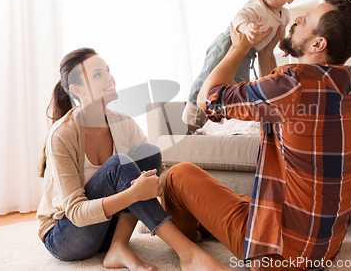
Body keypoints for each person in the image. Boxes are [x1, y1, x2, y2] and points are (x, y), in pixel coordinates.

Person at [164, 0, 351, 270]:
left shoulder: (292, 84)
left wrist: (239, 48)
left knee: (177, 175)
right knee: (245, 199)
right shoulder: (348, 83)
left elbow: (208, 99)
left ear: (318, 43)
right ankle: (206, 226)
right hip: (324, 247)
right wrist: (265, 51)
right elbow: (275, 93)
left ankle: (190, 251)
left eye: (305, 20)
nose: (296, 19)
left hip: (280, 254)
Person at [37, 48, 232, 271]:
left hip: (107, 229)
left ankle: (118, 247)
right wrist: (133, 194)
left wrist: (174, 194)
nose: (110, 77)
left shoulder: (123, 122)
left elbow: (155, 170)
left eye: (107, 70)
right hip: (67, 236)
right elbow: (77, 214)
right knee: (118, 165)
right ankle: (188, 253)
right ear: (76, 89)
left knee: (149, 153)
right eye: (98, 74)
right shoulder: (63, 135)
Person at [182, 0, 302, 125]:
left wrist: (283, 44)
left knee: (237, 83)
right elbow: (239, 18)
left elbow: (280, 33)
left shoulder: (285, 15)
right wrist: (246, 27)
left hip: (249, 52)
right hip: (229, 43)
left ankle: (217, 121)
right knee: (209, 74)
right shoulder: (258, 5)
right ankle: (191, 112)